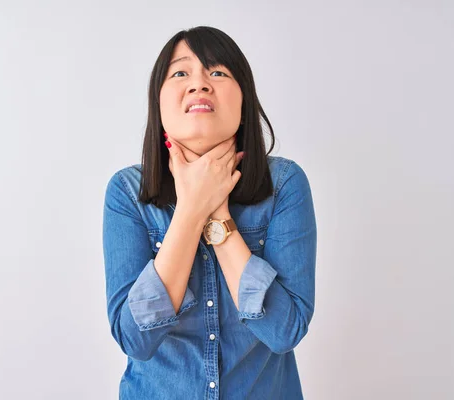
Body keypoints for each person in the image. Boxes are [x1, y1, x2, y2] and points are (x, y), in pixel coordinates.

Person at [102, 26, 317, 400]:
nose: (199, 84)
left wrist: (217, 210)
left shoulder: (284, 185)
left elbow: (285, 332)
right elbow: (135, 339)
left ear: (244, 99)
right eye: (181, 73)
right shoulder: (126, 193)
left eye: (217, 72)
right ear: (159, 102)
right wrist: (191, 209)